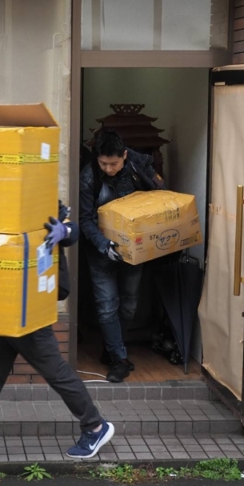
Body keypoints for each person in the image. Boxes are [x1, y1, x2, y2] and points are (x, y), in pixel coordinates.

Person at [0, 202, 115, 462]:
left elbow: (71, 228)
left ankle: (96, 427)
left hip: (27, 310)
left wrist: (63, 232)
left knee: (56, 373)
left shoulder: (33, 194)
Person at [80, 129, 164, 384]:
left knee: (129, 304)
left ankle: (112, 347)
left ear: (124, 156)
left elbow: (158, 198)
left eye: (114, 163)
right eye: (103, 163)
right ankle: (119, 359)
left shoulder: (138, 167)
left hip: (133, 249)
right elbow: (85, 219)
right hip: (100, 251)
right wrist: (104, 245)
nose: (108, 169)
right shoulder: (88, 178)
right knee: (106, 307)